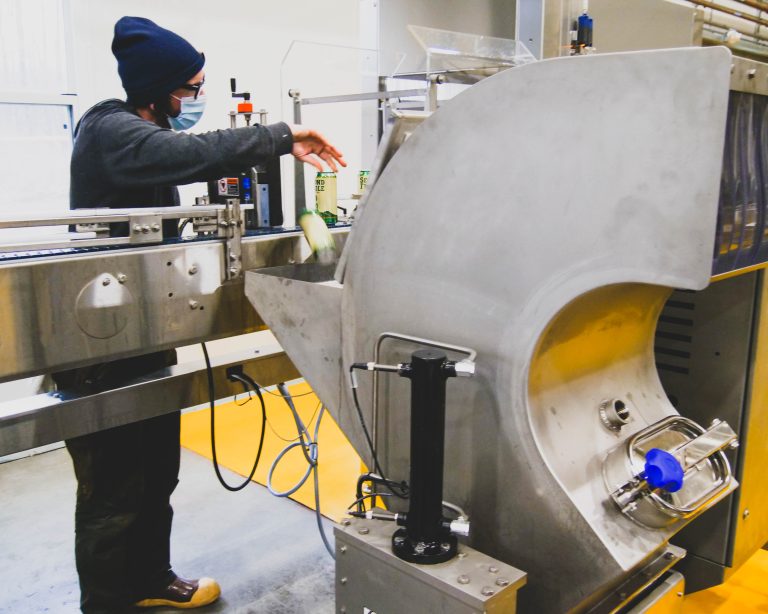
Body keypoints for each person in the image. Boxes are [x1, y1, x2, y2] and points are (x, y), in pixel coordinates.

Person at [54, 16, 345, 613]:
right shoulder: (111, 131)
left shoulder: (134, 131)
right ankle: (110, 602)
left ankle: (149, 580)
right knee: (114, 488)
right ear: (157, 89)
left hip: (139, 334)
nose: (196, 99)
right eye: (190, 87)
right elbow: (189, 154)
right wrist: (280, 136)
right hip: (99, 347)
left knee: (154, 471)